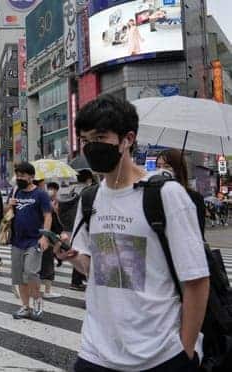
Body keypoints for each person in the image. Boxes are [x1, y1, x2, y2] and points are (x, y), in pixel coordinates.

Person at [55, 95, 209, 371]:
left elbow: (196, 280)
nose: (92, 147)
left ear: (127, 139)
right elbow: (97, 270)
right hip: (97, 351)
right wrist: (72, 255)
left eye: (100, 137)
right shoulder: (91, 199)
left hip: (159, 354)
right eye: (86, 140)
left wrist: (185, 352)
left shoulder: (165, 195)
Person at [9, 162, 52, 321]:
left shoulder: (40, 194)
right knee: (19, 276)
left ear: (31, 177)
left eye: (23, 175)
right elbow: (7, 214)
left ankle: (38, 302)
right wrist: (10, 205)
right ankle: (25, 307)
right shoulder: (15, 191)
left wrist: (45, 236)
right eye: (18, 175)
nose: (19, 178)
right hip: (17, 240)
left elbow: (48, 216)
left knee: (31, 272)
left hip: (35, 240)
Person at [157, 149, 206, 238]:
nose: (161, 170)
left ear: (178, 169)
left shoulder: (194, 197)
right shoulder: (152, 194)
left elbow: (198, 233)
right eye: (158, 166)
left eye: (167, 166)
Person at [40, 181, 62, 299]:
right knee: (47, 263)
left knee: (44, 262)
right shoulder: (44, 201)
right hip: (46, 236)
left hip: (46, 235)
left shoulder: (54, 202)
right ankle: (47, 291)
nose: (51, 191)